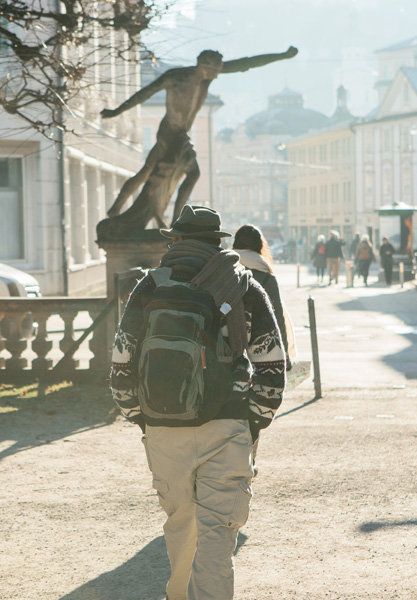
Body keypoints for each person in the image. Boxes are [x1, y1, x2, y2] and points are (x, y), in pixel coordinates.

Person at [110, 205, 286, 600]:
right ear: (217, 243)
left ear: (175, 240)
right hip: (226, 428)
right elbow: (272, 369)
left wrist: (142, 419)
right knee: (215, 540)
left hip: (163, 429)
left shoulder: (151, 286)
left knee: (180, 529)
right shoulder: (243, 285)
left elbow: (121, 363)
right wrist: (251, 423)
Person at [101, 47, 298, 227]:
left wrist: (282, 55)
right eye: (217, 67)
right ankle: (166, 217)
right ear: (206, 65)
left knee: (149, 172)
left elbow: (246, 63)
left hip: (181, 133)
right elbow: (144, 94)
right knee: (171, 173)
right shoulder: (176, 77)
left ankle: (121, 209)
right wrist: (116, 111)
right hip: (170, 132)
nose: (220, 72)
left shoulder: (208, 75)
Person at [232, 224, 295, 367]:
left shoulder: (224, 267)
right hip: (261, 347)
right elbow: (278, 317)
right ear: (260, 246)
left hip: (227, 345)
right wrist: (284, 354)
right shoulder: (266, 276)